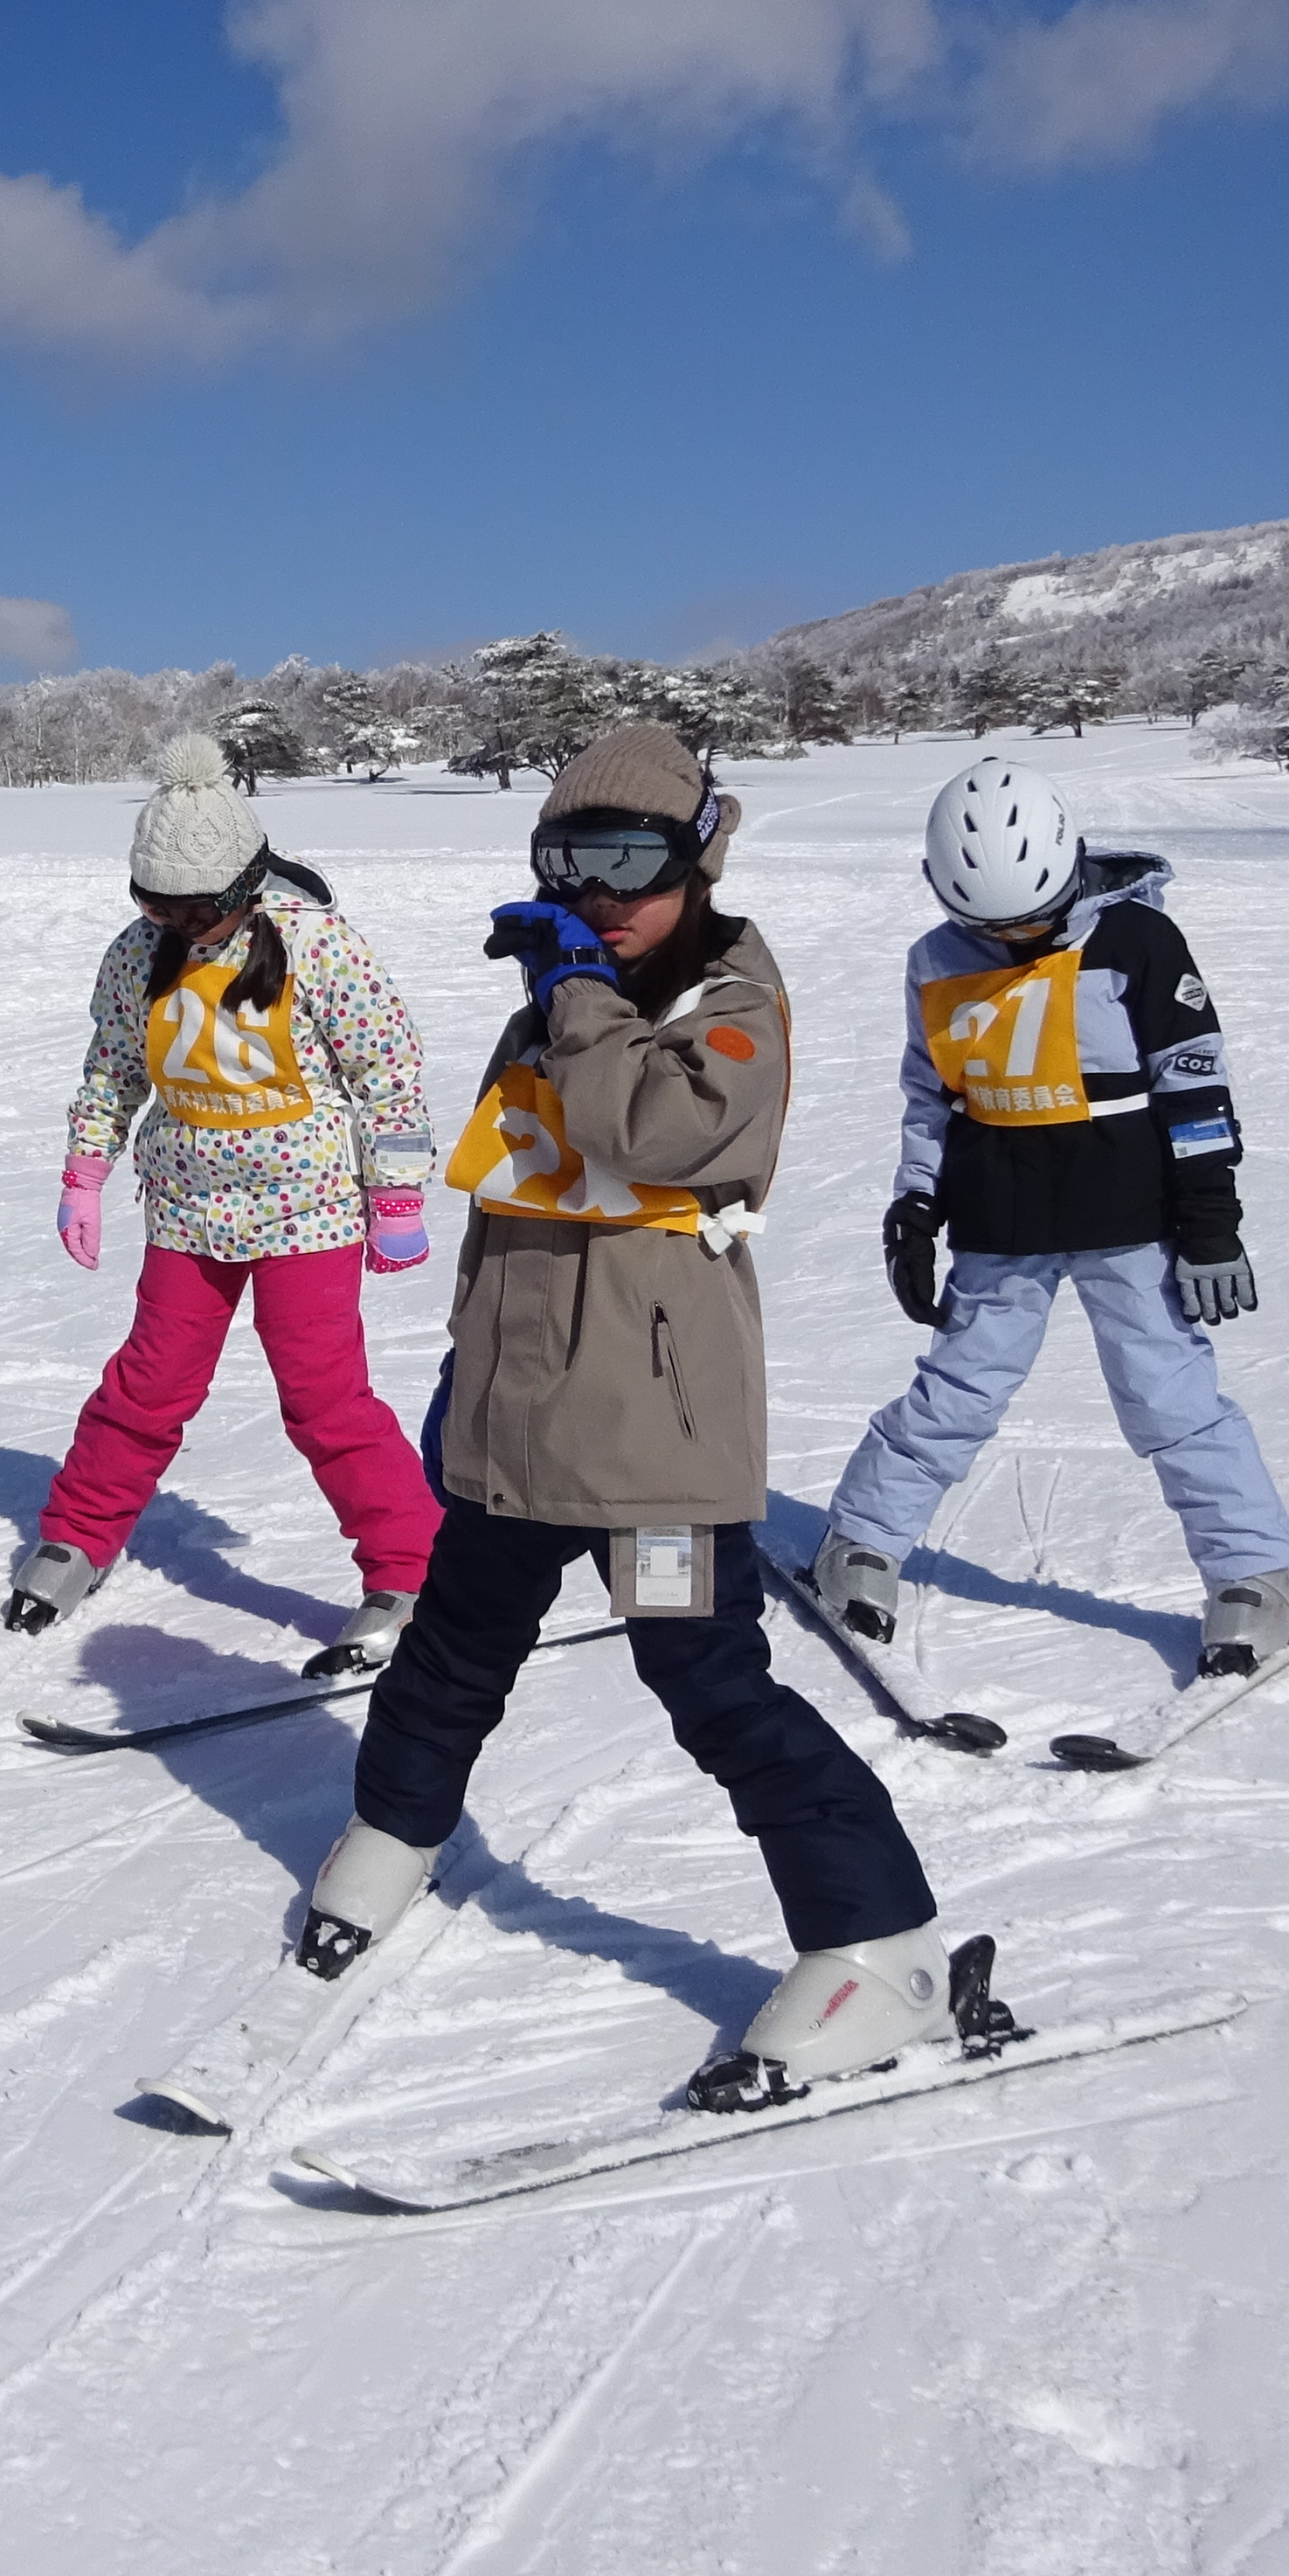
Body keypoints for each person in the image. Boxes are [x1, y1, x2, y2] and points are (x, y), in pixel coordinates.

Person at [309, 724, 989, 2109]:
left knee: (712, 1685)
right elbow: (518, 1196)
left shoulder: (735, 1004)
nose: (603, 894)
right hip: (515, 1421)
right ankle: (392, 1829)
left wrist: (574, 992)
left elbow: (653, 1133)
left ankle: (882, 1942)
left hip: (654, 1444)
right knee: (451, 1650)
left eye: (636, 861)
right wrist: (466, 1378)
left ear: (701, 860)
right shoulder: (557, 1001)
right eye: (573, 861)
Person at [808, 757, 1289, 1671]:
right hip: (1001, 1220)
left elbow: (1195, 1088)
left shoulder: (1140, 942)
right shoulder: (935, 961)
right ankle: (863, 1540)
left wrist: (1211, 1223)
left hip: (1131, 1219)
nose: (1013, 939)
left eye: (1032, 919)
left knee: (1170, 1397)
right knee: (957, 1390)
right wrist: (914, 1207)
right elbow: (930, 1097)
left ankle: (1255, 1575)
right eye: (989, 927)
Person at [21, 731, 444, 1675]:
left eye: (198, 908)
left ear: (249, 885)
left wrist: (396, 1193)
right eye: (155, 904)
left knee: (324, 1398)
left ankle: (412, 1570)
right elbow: (114, 1069)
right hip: (187, 1207)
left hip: (308, 1210)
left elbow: (387, 1070)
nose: (180, 924)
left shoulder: (318, 946)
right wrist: (84, 1171)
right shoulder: (138, 954)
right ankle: (79, 1533)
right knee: (149, 1382)